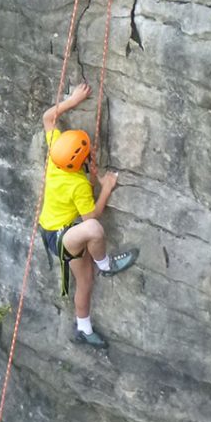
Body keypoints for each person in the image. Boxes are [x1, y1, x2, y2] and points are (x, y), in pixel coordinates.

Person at [39, 81, 138, 348]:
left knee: (85, 281)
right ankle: (106, 265)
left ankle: (83, 328)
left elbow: (49, 117)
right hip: (62, 237)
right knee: (94, 229)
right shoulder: (78, 184)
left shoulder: (55, 153)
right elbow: (91, 215)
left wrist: (73, 100)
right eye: (87, 150)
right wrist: (105, 187)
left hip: (53, 229)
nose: (91, 149)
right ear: (80, 159)